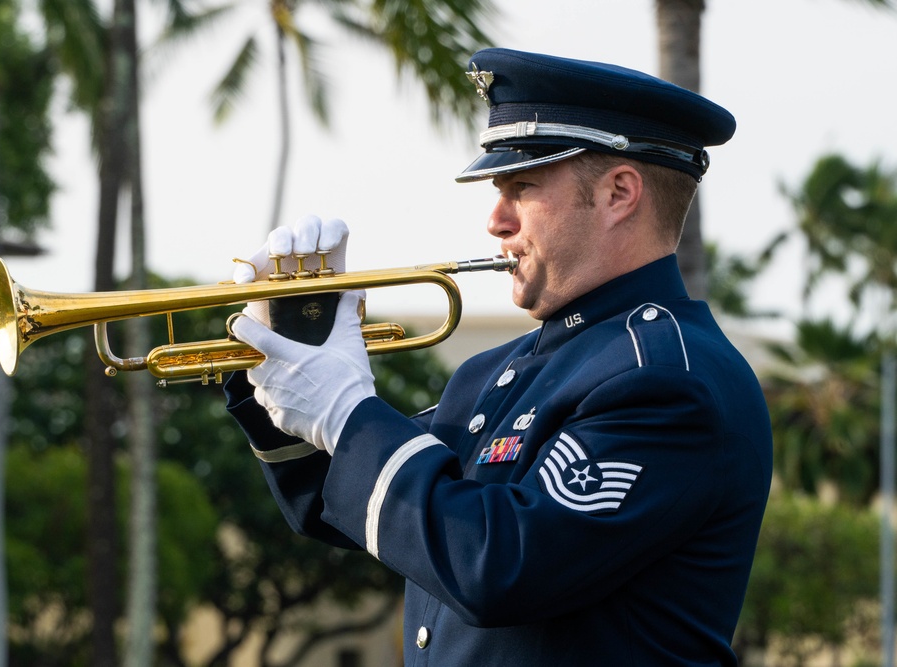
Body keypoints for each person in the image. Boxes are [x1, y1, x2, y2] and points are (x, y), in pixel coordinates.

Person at [224, 47, 773, 666]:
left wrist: (347, 409)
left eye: (523, 187)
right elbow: (341, 503)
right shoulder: (496, 371)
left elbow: (499, 563)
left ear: (620, 193)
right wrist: (288, 358)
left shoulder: (667, 377)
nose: (495, 219)